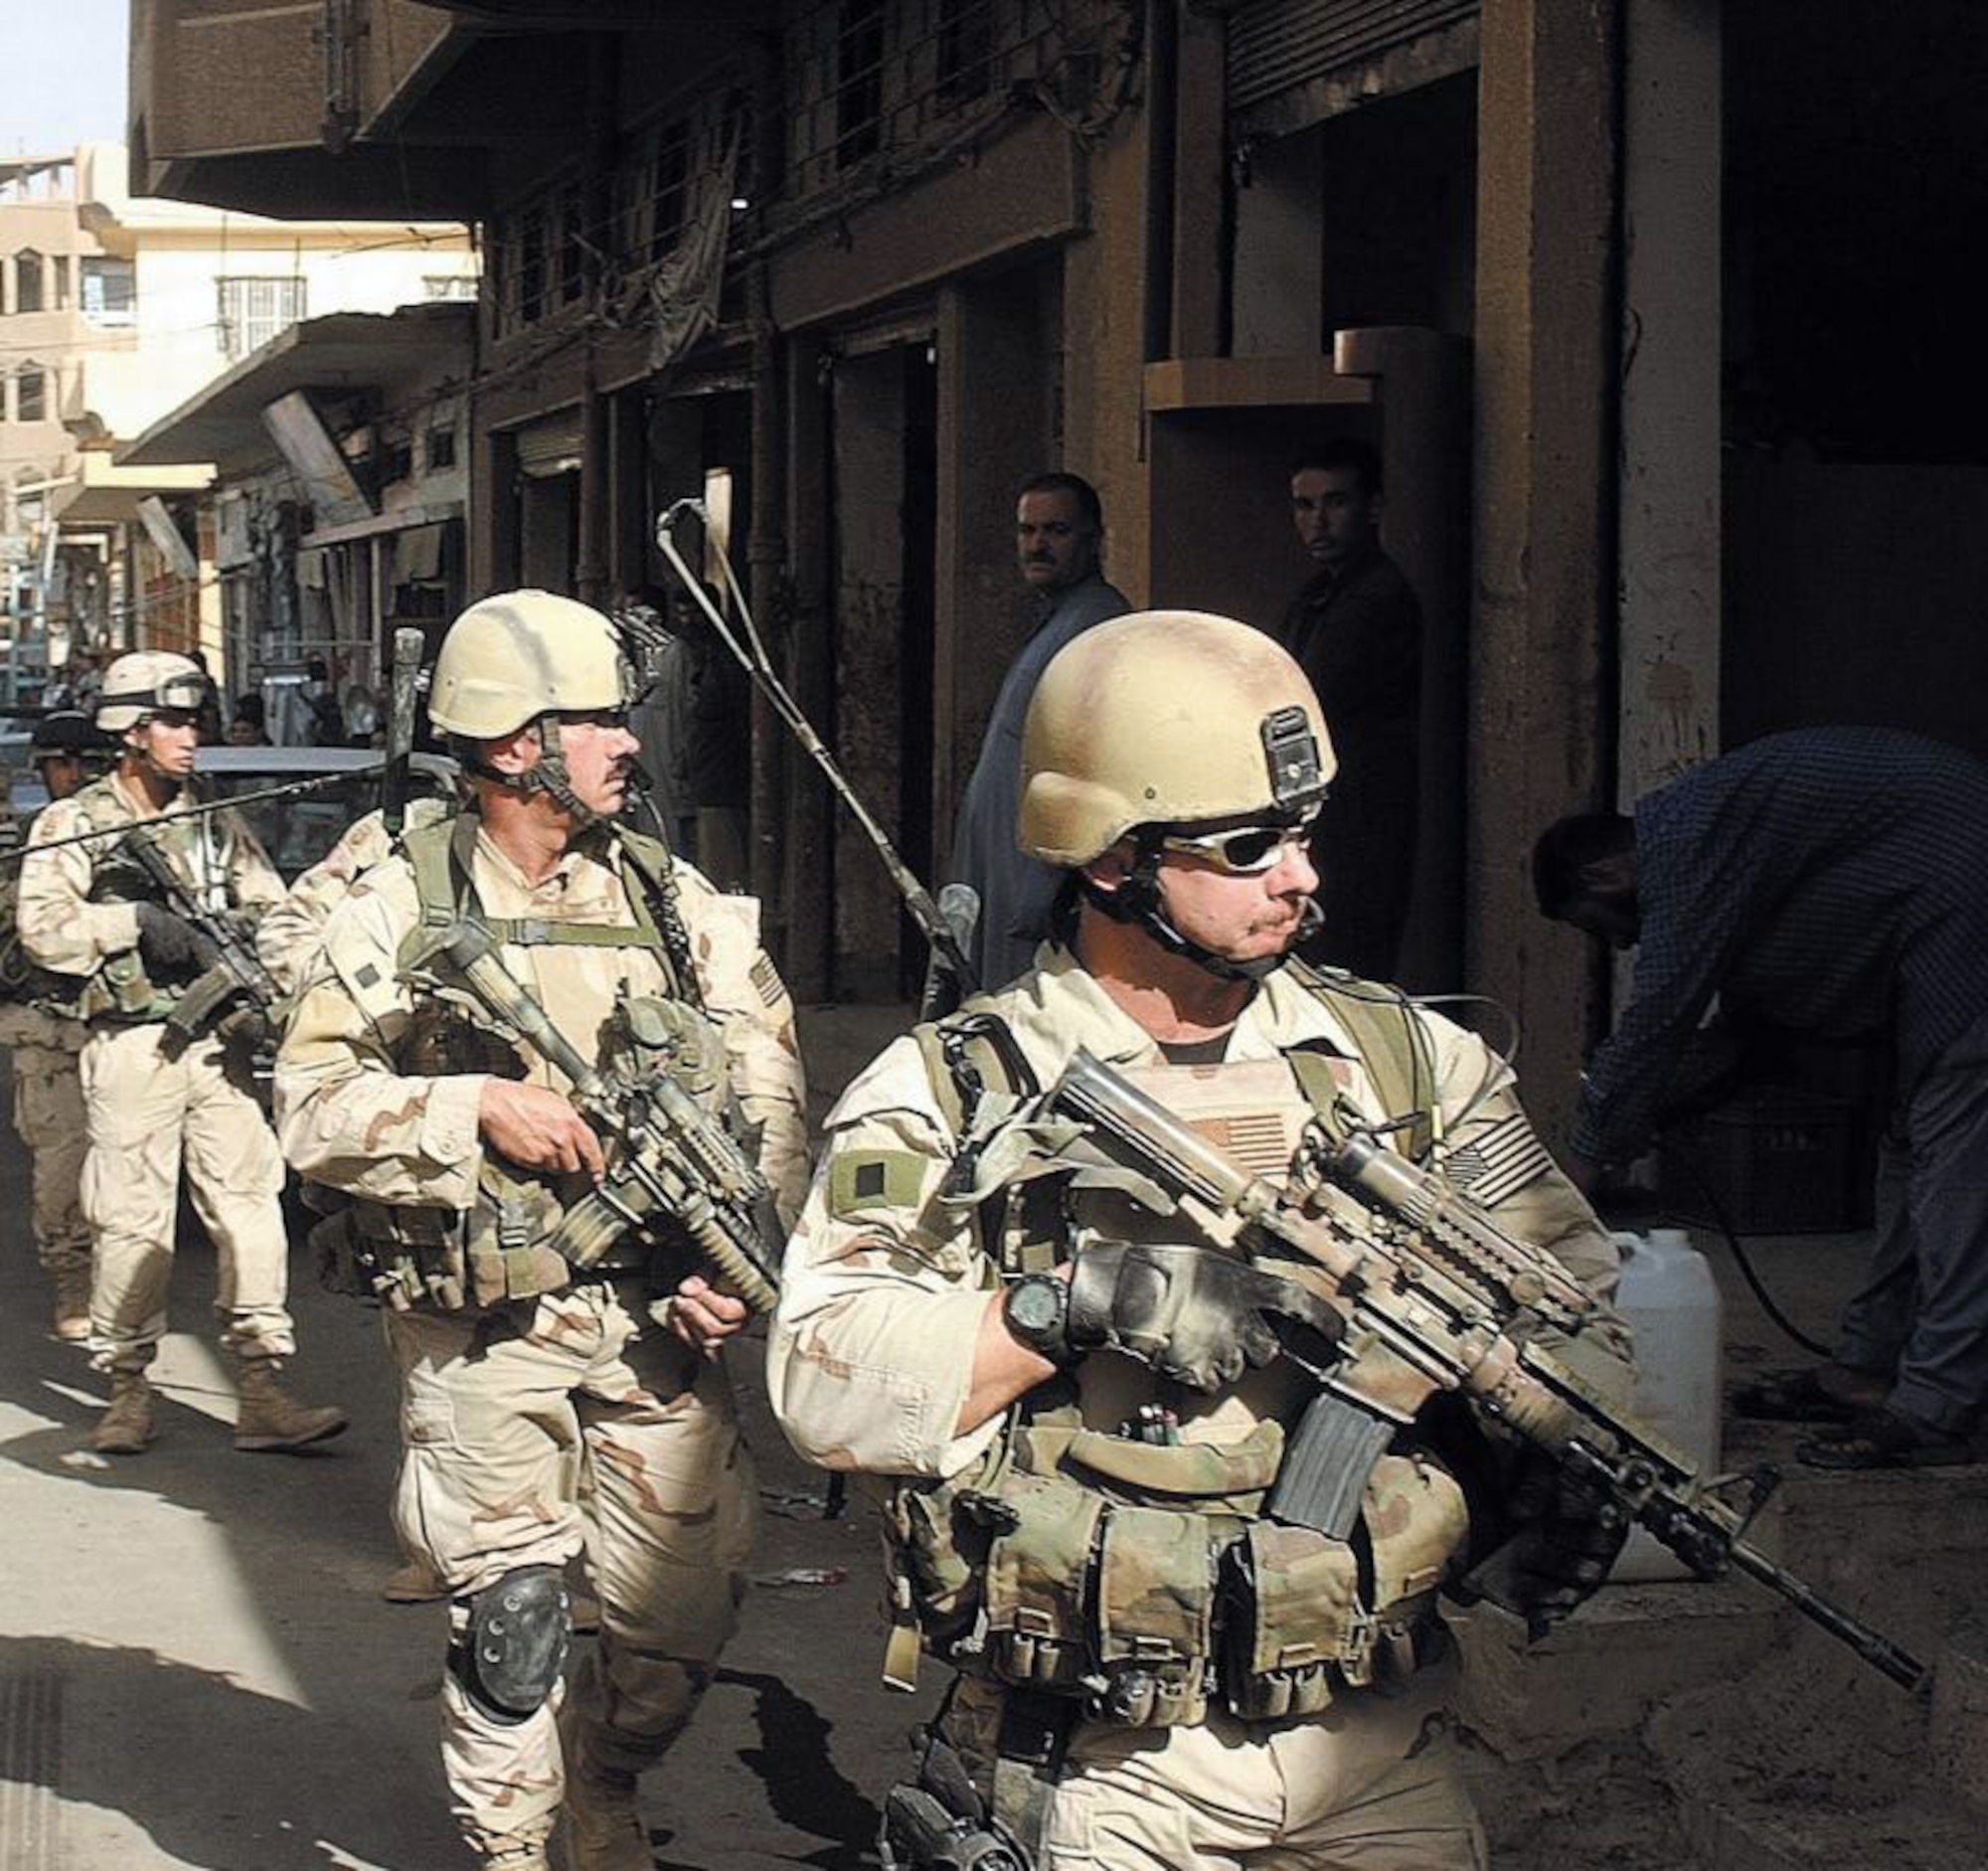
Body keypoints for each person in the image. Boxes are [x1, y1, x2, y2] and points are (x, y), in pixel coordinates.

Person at [771, 611, 1631, 1871]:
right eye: (1247, 844)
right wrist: (1068, 1303)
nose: (1298, 874)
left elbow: (1575, 1301)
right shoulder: (954, 1092)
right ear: (1112, 859)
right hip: (1107, 1762)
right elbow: (821, 1374)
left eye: (1300, 831)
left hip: (1373, 1735)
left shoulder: (1410, 1065)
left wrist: (1554, 1450)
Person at [274, 591, 810, 1871]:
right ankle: (516, 1850)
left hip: (654, 1322)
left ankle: (607, 1777)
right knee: (510, 1622)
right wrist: (472, 1107)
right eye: (599, 722)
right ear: (515, 744)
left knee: (678, 1629)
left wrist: (736, 1248)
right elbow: (310, 1105)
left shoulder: (669, 898)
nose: (629, 744)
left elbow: (767, 1077)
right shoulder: (392, 894)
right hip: (482, 1328)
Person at [1535, 725, 1988, 1471]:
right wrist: (1667, 1103)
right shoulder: (1719, 838)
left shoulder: (1684, 844)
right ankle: (1868, 1368)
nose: (1620, 947)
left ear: (1609, 876)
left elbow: (1662, 1014)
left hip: (1965, 912)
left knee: (1953, 1170)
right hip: (1940, 907)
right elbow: (1750, 1025)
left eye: (1603, 929)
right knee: (1912, 1155)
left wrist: (1577, 1173)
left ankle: (1940, 1406)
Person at [16, 652, 348, 1456]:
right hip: (131, 1047)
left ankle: (262, 1384)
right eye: (173, 721)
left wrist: (250, 960)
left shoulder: (210, 822)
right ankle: (127, 1388)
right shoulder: (73, 824)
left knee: (251, 1211)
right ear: (130, 733)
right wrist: (131, 926)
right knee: (131, 1224)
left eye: (195, 720)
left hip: (215, 1047)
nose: (190, 735)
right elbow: (43, 929)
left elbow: (269, 907)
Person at [947, 471, 1129, 990]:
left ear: (1092, 539)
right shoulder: (1058, 620)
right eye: (1028, 532)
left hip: (1033, 880)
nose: (1038, 545)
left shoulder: (1097, 623)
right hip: (1002, 869)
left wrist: (1042, 887)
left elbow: (1085, 766)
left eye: (1056, 531)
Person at [1278, 437, 1423, 981]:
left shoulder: (1375, 596)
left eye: (1335, 502)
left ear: (1373, 509)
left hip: (1358, 826)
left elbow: (1309, 695)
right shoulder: (1319, 593)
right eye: (1304, 505)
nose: (1317, 521)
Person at [0, 711, 115, 1338]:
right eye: (58, 766)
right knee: (63, 1169)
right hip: (50, 1033)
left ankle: (119, 1288)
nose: (67, 777)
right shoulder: (28, 849)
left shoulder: (128, 834)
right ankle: (73, 1283)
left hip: (122, 1028)